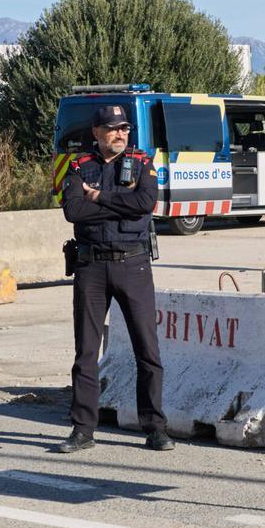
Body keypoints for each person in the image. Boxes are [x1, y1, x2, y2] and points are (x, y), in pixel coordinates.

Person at [58, 104, 172, 453]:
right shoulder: (78, 167)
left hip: (133, 266)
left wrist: (101, 197)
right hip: (91, 268)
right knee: (86, 352)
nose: (120, 134)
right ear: (96, 133)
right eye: (112, 128)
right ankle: (82, 430)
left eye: (124, 128)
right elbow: (73, 211)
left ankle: (155, 428)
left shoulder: (141, 163)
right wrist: (119, 200)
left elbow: (145, 203)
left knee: (147, 351)